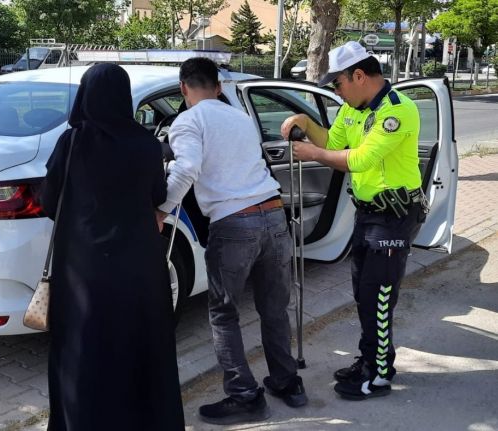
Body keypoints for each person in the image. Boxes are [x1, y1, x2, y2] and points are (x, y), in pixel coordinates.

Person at [157, 57, 308, 426]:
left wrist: (160, 211)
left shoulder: (188, 120)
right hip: (274, 215)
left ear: (183, 88)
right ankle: (288, 384)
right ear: (219, 86)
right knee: (274, 307)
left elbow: (187, 168)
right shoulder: (240, 118)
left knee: (224, 313)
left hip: (234, 223)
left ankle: (244, 395)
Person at [40, 63, 185, 430]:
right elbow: (158, 195)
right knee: (139, 346)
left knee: (83, 351)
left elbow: (48, 201)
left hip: (82, 269)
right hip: (139, 266)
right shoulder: (146, 144)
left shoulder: (71, 142)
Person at [281, 41, 428, 400]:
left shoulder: (398, 111)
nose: (336, 91)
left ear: (358, 75)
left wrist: (312, 153)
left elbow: (359, 159)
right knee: (364, 295)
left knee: (377, 298)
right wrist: (304, 122)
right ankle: (369, 361)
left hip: (394, 217)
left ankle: (378, 377)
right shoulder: (352, 109)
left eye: (338, 84)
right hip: (367, 214)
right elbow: (332, 139)